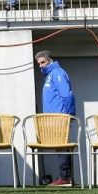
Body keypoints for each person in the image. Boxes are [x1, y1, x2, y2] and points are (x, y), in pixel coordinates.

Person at [34, 50, 76, 186]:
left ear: (50, 60)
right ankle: (65, 177)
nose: (41, 66)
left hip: (60, 117)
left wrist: (70, 114)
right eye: (39, 63)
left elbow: (67, 95)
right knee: (59, 147)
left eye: (43, 62)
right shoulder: (50, 75)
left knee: (61, 146)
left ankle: (65, 178)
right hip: (53, 118)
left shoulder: (57, 73)